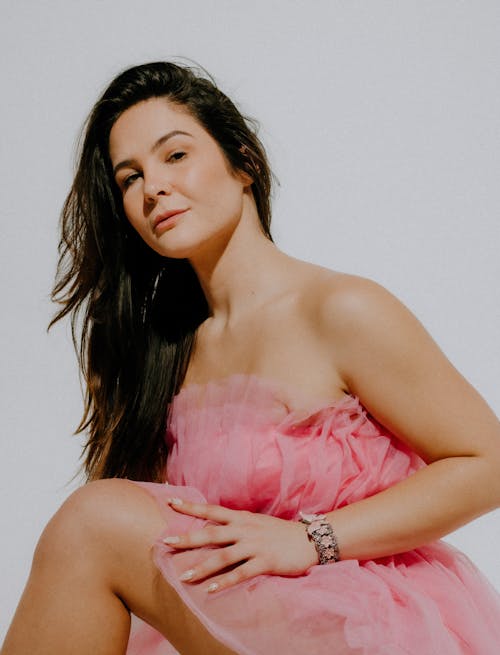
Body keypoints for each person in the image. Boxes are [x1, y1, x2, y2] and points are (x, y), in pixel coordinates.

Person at [2, 61, 500, 655]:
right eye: (129, 178)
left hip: (360, 621)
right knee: (99, 526)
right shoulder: (165, 350)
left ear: (245, 163)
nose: (153, 187)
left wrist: (312, 539)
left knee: (94, 521)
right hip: (243, 618)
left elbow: (487, 461)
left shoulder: (341, 309)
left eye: (175, 156)